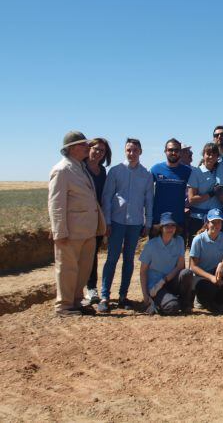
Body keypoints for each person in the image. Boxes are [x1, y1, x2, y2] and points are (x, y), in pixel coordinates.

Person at [48, 131, 106, 316]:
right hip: (70, 231)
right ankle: (63, 306)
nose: (88, 148)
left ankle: (76, 302)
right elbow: (56, 204)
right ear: (72, 148)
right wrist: (59, 231)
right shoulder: (62, 170)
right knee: (67, 269)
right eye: (84, 145)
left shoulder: (80, 167)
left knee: (82, 270)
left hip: (87, 231)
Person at [98, 138, 154, 313]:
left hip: (135, 223)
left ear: (140, 152)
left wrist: (148, 222)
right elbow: (107, 197)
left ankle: (123, 296)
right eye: (129, 150)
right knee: (112, 259)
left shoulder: (146, 174)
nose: (132, 153)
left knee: (129, 261)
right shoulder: (115, 171)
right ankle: (105, 296)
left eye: (135, 150)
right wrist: (107, 221)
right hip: (116, 221)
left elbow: (149, 201)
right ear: (125, 151)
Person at [139, 212, 193, 315]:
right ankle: (157, 302)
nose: (170, 228)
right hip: (155, 287)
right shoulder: (151, 245)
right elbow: (143, 272)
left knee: (186, 273)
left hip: (170, 281)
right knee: (172, 307)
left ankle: (185, 304)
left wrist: (164, 280)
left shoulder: (180, 241)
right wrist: (145, 296)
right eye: (167, 225)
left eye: (173, 225)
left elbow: (180, 266)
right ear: (161, 228)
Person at [189, 208, 223, 313]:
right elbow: (193, 267)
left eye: (219, 222)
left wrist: (221, 264)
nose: (216, 225)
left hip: (216, 272)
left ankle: (218, 300)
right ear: (207, 223)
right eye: (213, 222)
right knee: (210, 288)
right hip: (201, 277)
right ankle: (201, 299)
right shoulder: (198, 239)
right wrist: (211, 278)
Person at [84, 137, 111, 305]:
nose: (98, 153)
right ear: (89, 149)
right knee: (82, 254)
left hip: (98, 218)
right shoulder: (80, 168)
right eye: (96, 149)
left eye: (102, 150)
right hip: (82, 218)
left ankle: (91, 287)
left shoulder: (102, 172)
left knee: (92, 253)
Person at [150, 138, 192, 232]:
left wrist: (188, 205)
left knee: (178, 247)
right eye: (170, 150)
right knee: (155, 246)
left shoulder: (187, 171)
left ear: (180, 152)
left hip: (178, 220)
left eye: (176, 150)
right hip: (158, 219)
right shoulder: (156, 169)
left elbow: (194, 190)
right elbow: (145, 191)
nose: (173, 152)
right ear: (165, 151)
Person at [187, 143, 223, 248]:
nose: (211, 157)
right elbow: (191, 199)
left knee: (216, 250)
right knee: (196, 249)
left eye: (214, 155)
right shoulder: (196, 172)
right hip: (198, 218)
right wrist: (212, 193)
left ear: (218, 157)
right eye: (208, 154)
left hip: (216, 219)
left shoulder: (220, 171)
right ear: (203, 155)